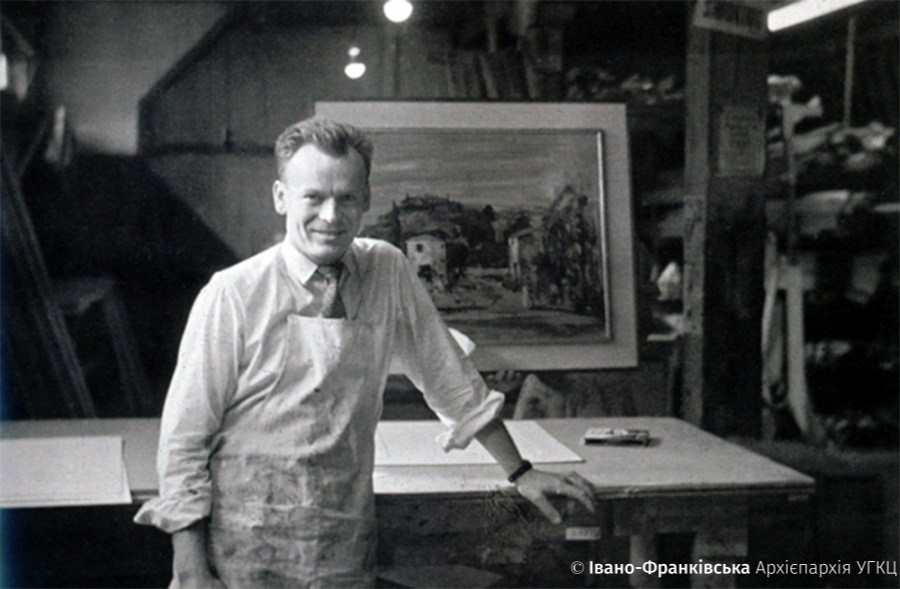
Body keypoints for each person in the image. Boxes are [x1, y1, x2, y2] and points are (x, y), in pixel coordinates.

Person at [134, 116, 596, 588]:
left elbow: (450, 379)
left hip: (343, 541)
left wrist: (521, 471)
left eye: (347, 198)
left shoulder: (387, 270)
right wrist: (190, 570)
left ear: (367, 198)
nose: (331, 216)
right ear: (280, 197)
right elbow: (184, 438)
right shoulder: (233, 293)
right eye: (313, 197)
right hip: (243, 547)